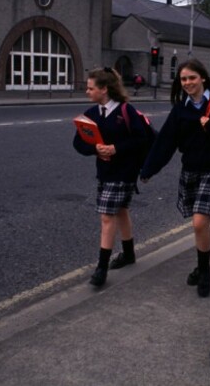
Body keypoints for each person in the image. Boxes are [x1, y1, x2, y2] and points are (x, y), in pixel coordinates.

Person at [140, 59, 210, 297]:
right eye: (183, 79)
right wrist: (148, 170)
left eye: (192, 77)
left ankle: (204, 273)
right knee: (198, 225)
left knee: (199, 223)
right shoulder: (180, 110)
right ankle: (202, 266)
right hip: (191, 170)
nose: (187, 83)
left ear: (203, 78)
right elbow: (166, 142)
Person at [73, 67, 147, 287]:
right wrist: (95, 149)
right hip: (105, 172)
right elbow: (77, 143)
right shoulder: (91, 115)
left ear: (104, 89)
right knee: (121, 211)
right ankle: (129, 254)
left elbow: (141, 140)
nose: (87, 91)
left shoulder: (126, 111)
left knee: (107, 216)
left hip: (124, 171)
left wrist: (116, 149)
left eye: (90, 88)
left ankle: (101, 269)